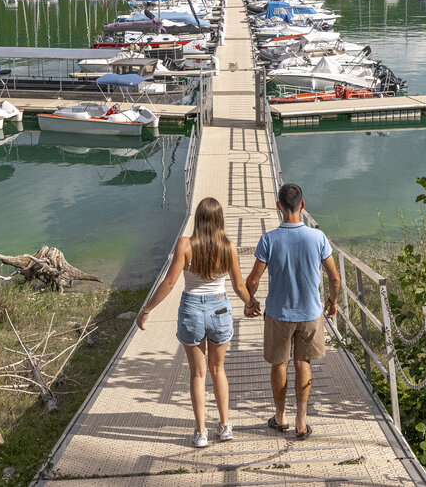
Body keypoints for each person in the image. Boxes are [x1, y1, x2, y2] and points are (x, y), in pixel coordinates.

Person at [137, 197, 255, 448]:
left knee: (198, 373)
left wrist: (146, 309)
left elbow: (169, 283)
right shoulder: (229, 247)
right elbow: (238, 285)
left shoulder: (185, 245)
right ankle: (225, 427)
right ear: (220, 219)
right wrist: (250, 303)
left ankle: (201, 432)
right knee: (218, 370)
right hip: (220, 308)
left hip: (192, 308)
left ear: (198, 219)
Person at [245, 182, 340, 441]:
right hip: (310, 312)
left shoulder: (268, 239)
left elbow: (252, 280)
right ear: (303, 205)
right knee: (303, 363)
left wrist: (250, 301)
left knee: (279, 363)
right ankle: (301, 420)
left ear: (279, 206)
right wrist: (332, 302)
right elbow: (334, 278)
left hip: (278, 313)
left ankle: (280, 416)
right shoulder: (317, 237)